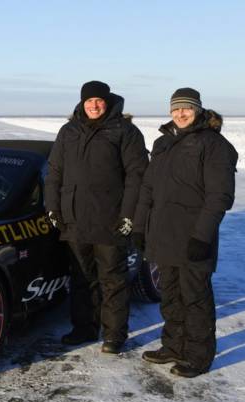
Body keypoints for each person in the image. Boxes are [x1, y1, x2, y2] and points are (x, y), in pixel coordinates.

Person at [133, 88, 238, 377]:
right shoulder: (163, 142)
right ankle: (173, 346)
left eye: (186, 109)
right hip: (162, 234)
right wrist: (140, 227)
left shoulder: (213, 144)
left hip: (193, 236)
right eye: (176, 109)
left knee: (195, 298)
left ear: (198, 110)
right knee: (170, 295)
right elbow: (148, 189)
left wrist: (202, 236)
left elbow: (220, 195)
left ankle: (198, 357)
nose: (180, 114)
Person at [44, 81, 148, 354]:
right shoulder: (69, 131)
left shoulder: (124, 131)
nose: (94, 105)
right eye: (89, 101)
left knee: (112, 279)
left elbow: (137, 176)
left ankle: (114, 335)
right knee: (81, 278)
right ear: (82, 103)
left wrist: (129, 216)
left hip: (110, 219)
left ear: (108, 101)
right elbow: (54, 172)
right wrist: (53, 207)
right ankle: (83, 328)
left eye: (98, 101)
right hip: (74, 218)